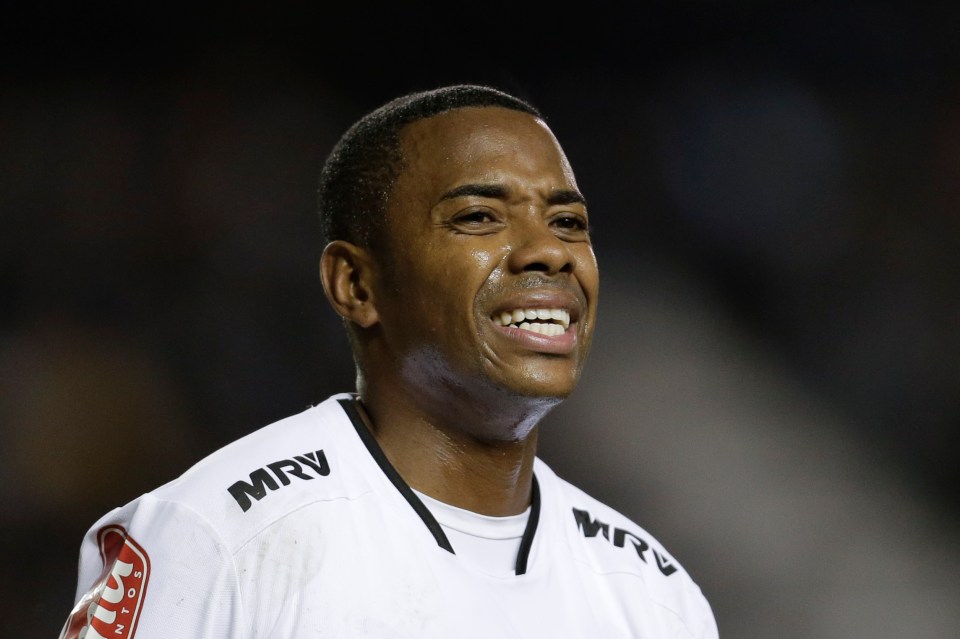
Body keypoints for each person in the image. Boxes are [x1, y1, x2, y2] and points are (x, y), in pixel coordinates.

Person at [59, 84, 719, 638]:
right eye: (480, 217)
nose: (548, 251)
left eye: (569, 222)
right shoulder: (219, 535)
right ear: (356, 284)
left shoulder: (653, 594)